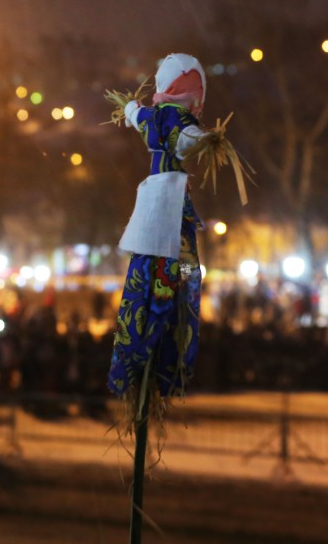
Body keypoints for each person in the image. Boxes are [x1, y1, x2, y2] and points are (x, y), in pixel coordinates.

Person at [107, 54, 207, 403]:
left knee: (146, 280)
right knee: (179, 279)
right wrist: (211, 140)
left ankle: (135, 362)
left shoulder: (151, 116)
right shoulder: (178, 119)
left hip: (152, 208)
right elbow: (188, 139)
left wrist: (130, 108)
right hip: (170, 209)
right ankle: (162, 363)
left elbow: (135, 114)